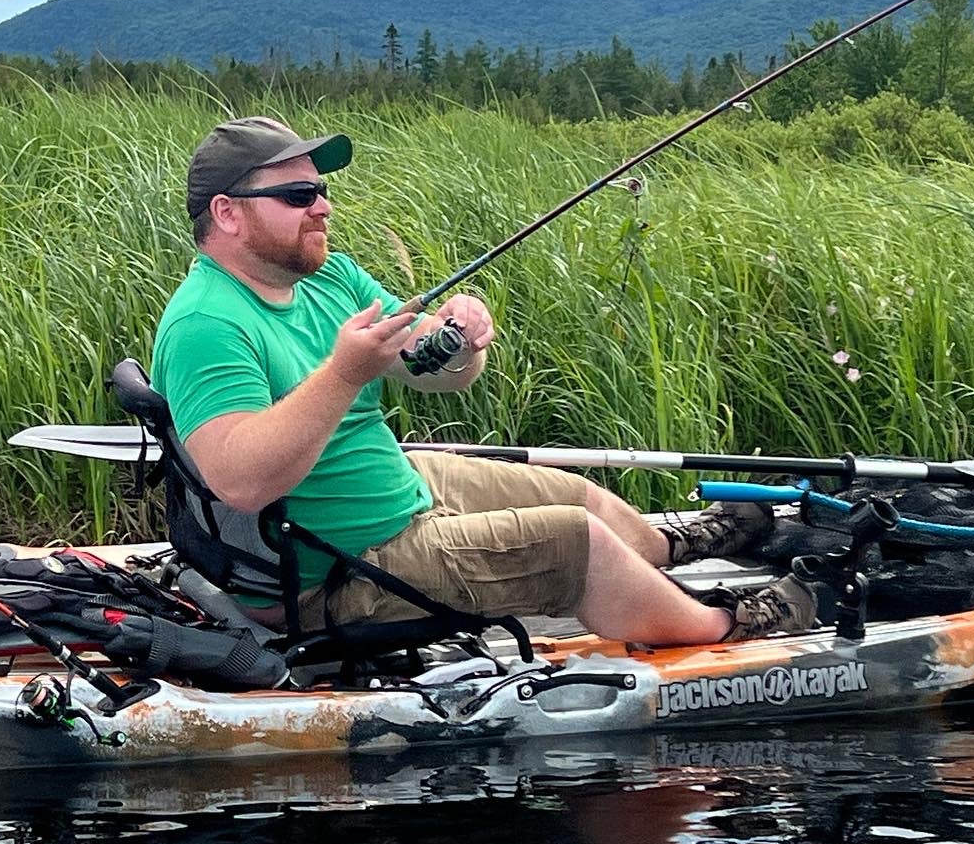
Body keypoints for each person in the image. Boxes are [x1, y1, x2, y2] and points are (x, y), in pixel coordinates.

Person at [151, 116, 818, 645]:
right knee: (579, 546)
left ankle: (677, 544)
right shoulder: (206, 325)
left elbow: (430, 372)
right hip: (330, 571)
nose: (322, 206)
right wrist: (344, 373)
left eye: (323, 190)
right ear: (229, 212)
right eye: (298, 195)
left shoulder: (330, 276)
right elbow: (239, 479)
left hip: (396, 490)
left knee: (587, 502)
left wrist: (462, 342)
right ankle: (726, 624)